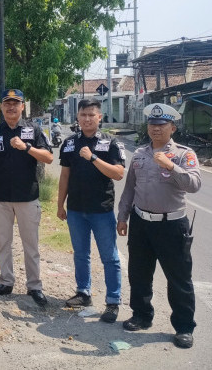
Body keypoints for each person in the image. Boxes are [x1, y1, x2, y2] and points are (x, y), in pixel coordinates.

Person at [117, 103, 201, 349]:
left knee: (179, 279)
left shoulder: (184, 154)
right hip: (141, 223)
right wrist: (123, 217)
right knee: (139, 273)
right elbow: (130, 188)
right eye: (152, 125)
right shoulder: (140, 154)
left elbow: (194, 184)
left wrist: (171, 166)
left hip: (172, 225)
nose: (156, 129)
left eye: (162, 125)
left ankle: (184, 327)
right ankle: (142, 315)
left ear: (172, 127)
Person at [0, 89, 53, 307]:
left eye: (15, 103)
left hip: (27, 198)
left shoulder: (34, 130)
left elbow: (48, 157)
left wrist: (26, 147)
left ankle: (35, 286)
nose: (11, 107)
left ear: (22, 106)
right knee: (3, 243)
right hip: (0, 199)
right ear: (1, 107)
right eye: (7, 103)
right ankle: (6, 281)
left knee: (31, 245)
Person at [57, 99, 125, 323]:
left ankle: (113, 301)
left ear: (99, 118)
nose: (87, 119)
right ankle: (83, 293)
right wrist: (60, 204)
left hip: (101, 210)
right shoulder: (68, 143)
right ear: (77, 117)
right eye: (83, 115)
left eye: (91, 115)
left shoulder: (110, 143)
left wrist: (93, 157)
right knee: (81, 254)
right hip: (76, 210)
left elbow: (117, 173)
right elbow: (65, 176)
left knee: (110, 257)